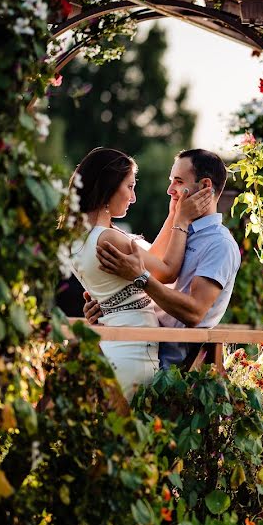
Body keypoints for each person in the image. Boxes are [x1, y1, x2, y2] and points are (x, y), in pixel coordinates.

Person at [66, 147, 211, 400]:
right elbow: (165, 271)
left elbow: (150, 258)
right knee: (138, 432)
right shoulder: (109, 238)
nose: (133, 197)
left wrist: (172, 215)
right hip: (134, 351)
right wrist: (182, 221)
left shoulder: (81, 238)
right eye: (129, 187)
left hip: (114, 347)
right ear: (109, 187)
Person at [85, 148, 241, 372]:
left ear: (205, 186)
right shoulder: (180, 231)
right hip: (138, 343)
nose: (169, 190)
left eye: (178, 181)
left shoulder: (219, 244)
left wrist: (139, 278)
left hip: (170, 364)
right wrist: (109, 305)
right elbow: (154, 269)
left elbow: (194, 312)